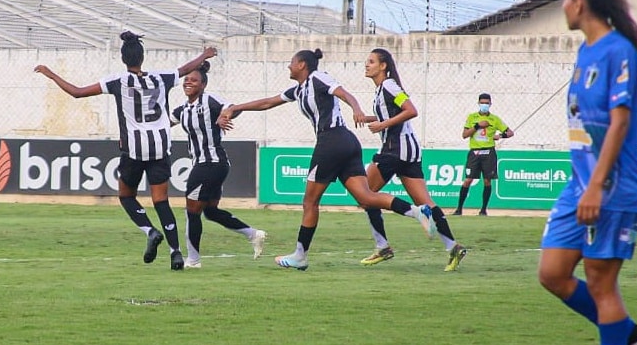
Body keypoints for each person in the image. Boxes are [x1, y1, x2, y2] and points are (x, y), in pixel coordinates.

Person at [537, 0, 637, 345]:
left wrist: (596, 186)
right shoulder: (585, 50)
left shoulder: (618, 51)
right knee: (552, 273)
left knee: (601, 282)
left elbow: (619, 122)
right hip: (579, 184)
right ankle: (632, 335)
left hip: (610, 186)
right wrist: (583, 185)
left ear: (580, 3)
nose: (563, 8)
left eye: (565, 0)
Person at [217, 48, 432, 271]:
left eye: (292, 62)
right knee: (366, 197)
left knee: (310, 202)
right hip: (346, 143)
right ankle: (417, 212)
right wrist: (236, 108)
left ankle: (300, 255)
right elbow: (268, 102)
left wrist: (357, 109)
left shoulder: (318, 77)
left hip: (331, 141)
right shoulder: (299, 89)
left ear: (302, 65)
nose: (289, 66)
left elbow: (344, 93)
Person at [35, 31, 217, 271]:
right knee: (161, 202)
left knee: (126, 196)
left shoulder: (117, 81)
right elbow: (185, 69)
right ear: (143, 57)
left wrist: (50, 74)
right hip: (159, 148)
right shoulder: (161, 78)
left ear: (123, 58)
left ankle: (150, 231)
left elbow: (77, 92)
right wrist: (205, 55)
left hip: (133, 150)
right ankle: (175, 252)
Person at [358, 48, 468, 271]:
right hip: (409, 150)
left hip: (395, 149)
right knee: (426, 201)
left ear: (383, 66)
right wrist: (370, 118)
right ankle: (453, 247)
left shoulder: (389, 86)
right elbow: (393, 113)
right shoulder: (383, 90)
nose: (366, 65)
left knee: (365, 195)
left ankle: (387, 243)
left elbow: (411, 110)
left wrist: (382, 125)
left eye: (371, 61)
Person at [171, 61, 266, 268]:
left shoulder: (209, 101)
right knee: (210, 211)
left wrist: (225, 115)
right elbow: (162, 124)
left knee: (192, 211)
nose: (188, 82)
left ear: (203, 85)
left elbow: (232, 108)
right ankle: (253, 234)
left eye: (194, 80)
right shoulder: (183, 110)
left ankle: (193, 260)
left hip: (210, 163)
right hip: (210, 165)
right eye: (186, 79)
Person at [454, 93, 514, 215]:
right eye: (482, 103)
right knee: (468, 180)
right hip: (474, 152)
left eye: (487, 103)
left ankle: (483, 210)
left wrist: (500, 136)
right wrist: (477, 126)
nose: (484, 105)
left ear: (490, 104)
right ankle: (459, 209)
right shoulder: (472, 117)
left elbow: (510, 132)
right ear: (478, 103)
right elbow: (465, 135)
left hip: (489, 152)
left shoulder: (495, 119)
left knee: (487, 181)